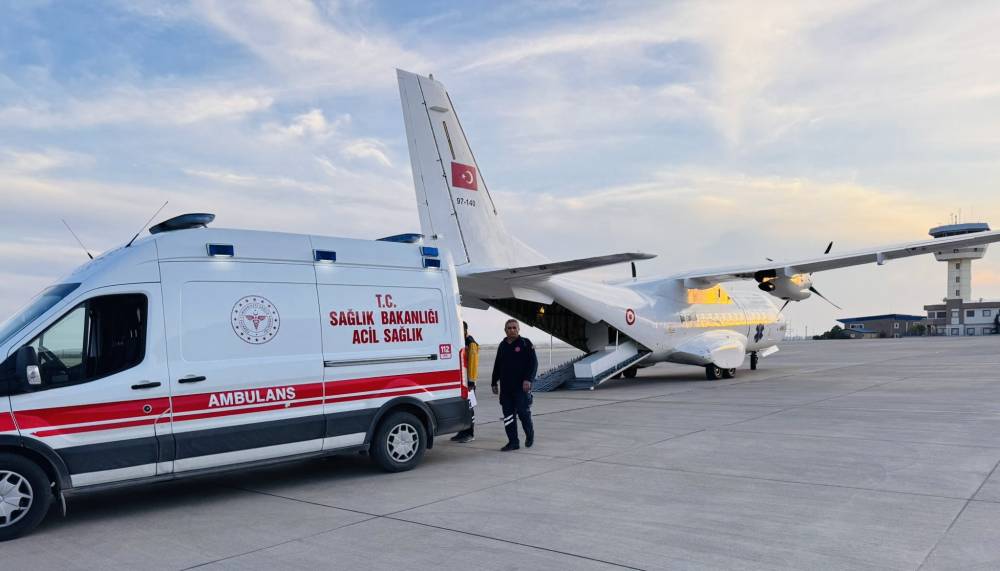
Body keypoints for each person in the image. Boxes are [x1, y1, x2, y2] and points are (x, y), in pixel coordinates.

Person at [491, 319, 536, 451]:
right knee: (508, 416)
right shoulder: (502, 345)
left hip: (521, 388)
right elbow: (497, 365)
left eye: (514, 328)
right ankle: (513, 442)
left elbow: (533, 363)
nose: (512, 330)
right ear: (505, 330)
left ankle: (529, 434)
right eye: (509, 328)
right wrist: (494, 382)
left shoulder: (525, 343)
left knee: (523, 413)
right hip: (506, 389)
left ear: (518, 329)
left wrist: (528, 379)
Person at [451, 322, 479, 443]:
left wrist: (471, 382)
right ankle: (462, 432)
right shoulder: (462, 342)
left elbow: (473, 364)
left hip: (469, 382)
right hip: (462, 381)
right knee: (462, 408)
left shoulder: (470, 343)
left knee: (469, 408)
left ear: (465, 330)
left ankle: (470, 433)